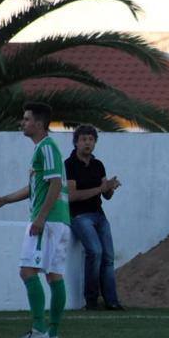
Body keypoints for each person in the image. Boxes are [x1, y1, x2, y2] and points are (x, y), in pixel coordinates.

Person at [0, 102, 70, 338]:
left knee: (27, 270)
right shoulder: (43, 150)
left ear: (40, 124)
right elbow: (38, 187)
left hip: (49, 221)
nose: (22, 123)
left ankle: (39, 328)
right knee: (54, 275)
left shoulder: (47, 147)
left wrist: (40, 218)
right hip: (59, 221)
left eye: (26, 119)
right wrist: (5, 199)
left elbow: (54, 184)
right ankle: (52, 334)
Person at [65, 125, 123, 310]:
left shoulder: (98, 165)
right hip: (79, 215)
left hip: (99, 214)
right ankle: (91, 300)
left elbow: (106, 196)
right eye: (83, 139)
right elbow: (72, 196)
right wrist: (101, 188)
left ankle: (112, 301)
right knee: (95, 252)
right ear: (76, 142)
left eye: (91, 139)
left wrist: (111, 188)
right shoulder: (69, 164)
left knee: (108, 257)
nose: (87, 143)